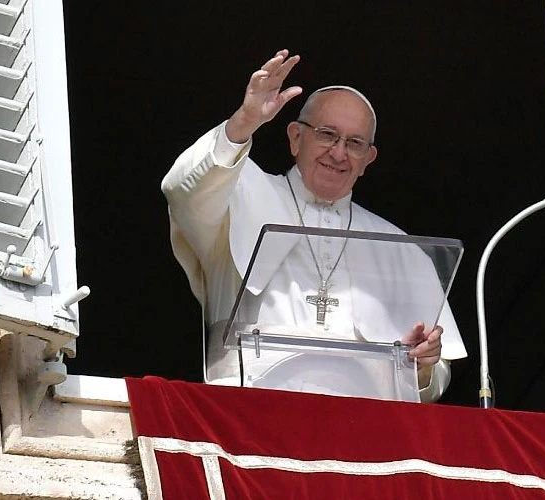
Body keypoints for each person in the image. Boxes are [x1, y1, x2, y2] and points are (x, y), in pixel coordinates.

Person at [161, 49, 467, 402]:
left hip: (363, 430)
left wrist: (423, 366)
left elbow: (433, 377)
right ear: (295, 137)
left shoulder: (400, 247)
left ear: (368, 159)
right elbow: (182, 188)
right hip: (248, 416)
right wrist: (243, 122)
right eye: (326, 134)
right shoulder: (240, 195)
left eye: (354, 144)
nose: (339, 153)